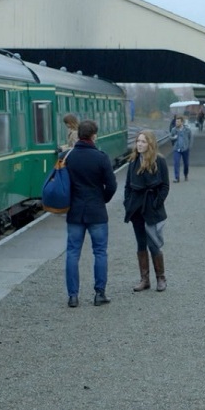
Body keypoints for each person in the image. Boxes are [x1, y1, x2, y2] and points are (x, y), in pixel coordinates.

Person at [64, 119, 118, 308]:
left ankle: (73, 296)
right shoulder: (101, 157)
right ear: (94, 136)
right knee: (100, 252)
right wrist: (102, 199)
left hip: (75, 212)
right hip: (97, 212)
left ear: (78, 135)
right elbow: (112, 185)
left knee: (72, 253)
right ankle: (99, 294)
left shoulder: (68, 156)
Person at [123, 130, 170, 292]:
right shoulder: (133, 161)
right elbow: (128, 185)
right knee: (140, 242)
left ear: (150, 143)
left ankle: (161, 278)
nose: (139, 144)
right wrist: (127, 202)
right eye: (138, 141)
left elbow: (165, 186)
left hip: (151, 206)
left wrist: (156, 203)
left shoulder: (159, 161)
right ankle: (144, 279)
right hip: (136, 207)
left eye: (143, 142)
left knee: (153, 243)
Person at [169, 115, 193, 183]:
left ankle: (185, 174)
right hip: (177, 149)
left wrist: (189, 146)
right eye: (176, 121)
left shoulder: (187, 130)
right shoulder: (174, 129)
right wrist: (174, 138)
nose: (177, 123)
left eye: (178, 122)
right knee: (176, 163)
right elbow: (170, 136)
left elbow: (190, 138)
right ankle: (177, 178)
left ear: (182, 122)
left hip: (185, 149)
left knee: (186, 163)